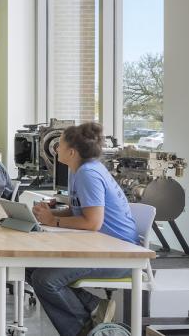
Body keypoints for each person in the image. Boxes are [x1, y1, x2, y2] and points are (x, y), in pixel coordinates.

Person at [27, 122, 139, 336]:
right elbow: (79, 211)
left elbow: (93, 222)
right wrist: (48, 216)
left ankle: (83, 331)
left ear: (71, 151)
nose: (55, 149)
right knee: (28, 267)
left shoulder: (89, 173)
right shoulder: (78, 170)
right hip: (100, 248)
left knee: (44, 280)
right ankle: (95, 306)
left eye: (58, 145)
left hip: (120, 255)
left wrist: (53, 222)